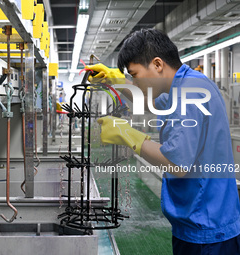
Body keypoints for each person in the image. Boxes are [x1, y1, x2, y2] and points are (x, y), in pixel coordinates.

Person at [87, 28, 240, 255]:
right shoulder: (185, 84)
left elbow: (176, 164)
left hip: (208, 231)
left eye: (135, 75)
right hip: (197, 222)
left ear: (157, 65)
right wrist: (117, 80)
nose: (135, 82)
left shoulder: (191, 92)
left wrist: (128, 134)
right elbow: (153, 104)